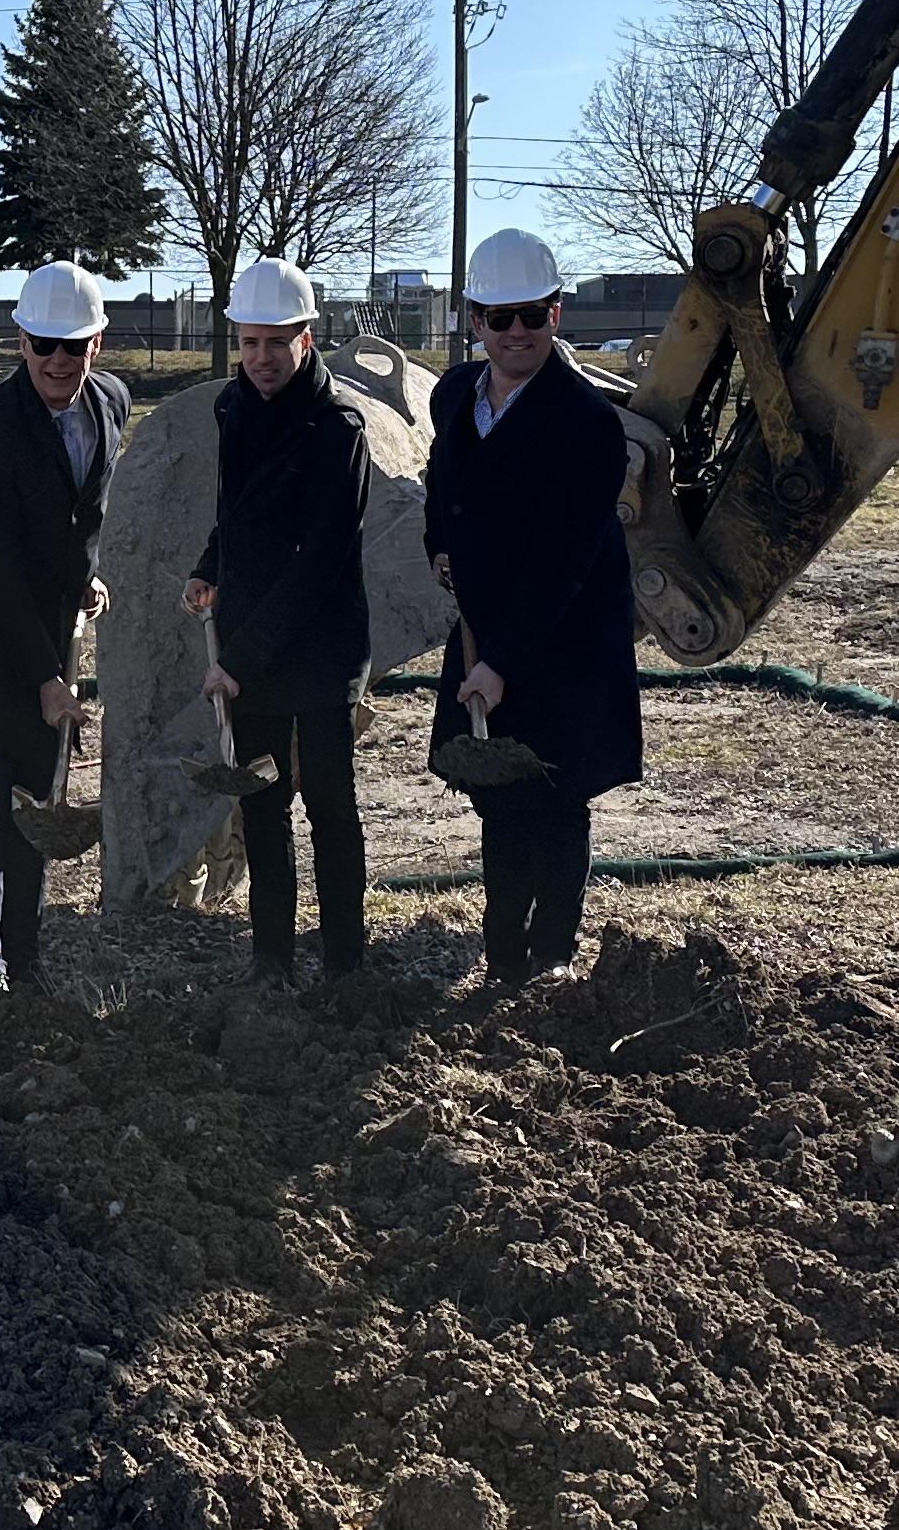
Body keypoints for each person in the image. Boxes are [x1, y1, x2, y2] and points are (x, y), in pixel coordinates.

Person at [423, 228, 642, 983]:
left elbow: (563, 560)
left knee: (554, 795)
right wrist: (437, 545)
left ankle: (548, 949)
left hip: (563, 640)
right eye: (499, 317)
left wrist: (503, 666)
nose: (517, 333)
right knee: (496, 798)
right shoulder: (454, 394)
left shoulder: (587, 424)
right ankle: (504, 951)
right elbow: (440, 486)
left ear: (556, 314)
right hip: (485, 625)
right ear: (474, 320)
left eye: (533, 315)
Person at [0, 260, 128, 992]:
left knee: (39, 799)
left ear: (98, 342)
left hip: (46, 623)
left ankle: (25, 957)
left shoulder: (111, 404)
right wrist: (44, 677)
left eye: (74, 346)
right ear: (20, 342)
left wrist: (84, 578)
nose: (59, 361)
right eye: (44, 345)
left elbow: (85, 516)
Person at [186, 257, 371, 983]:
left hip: (320, 649)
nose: (261, 358)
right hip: (251, 648)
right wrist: (209, 567)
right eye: (249, 341)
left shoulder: (336, 430)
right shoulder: (233, 408)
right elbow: (234, 517)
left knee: (328, 801)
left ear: (308, 338)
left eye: (276, 342)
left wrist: (239, 660)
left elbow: (317, 566)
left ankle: (346, 961)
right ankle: (271, 957)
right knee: (261, 804)